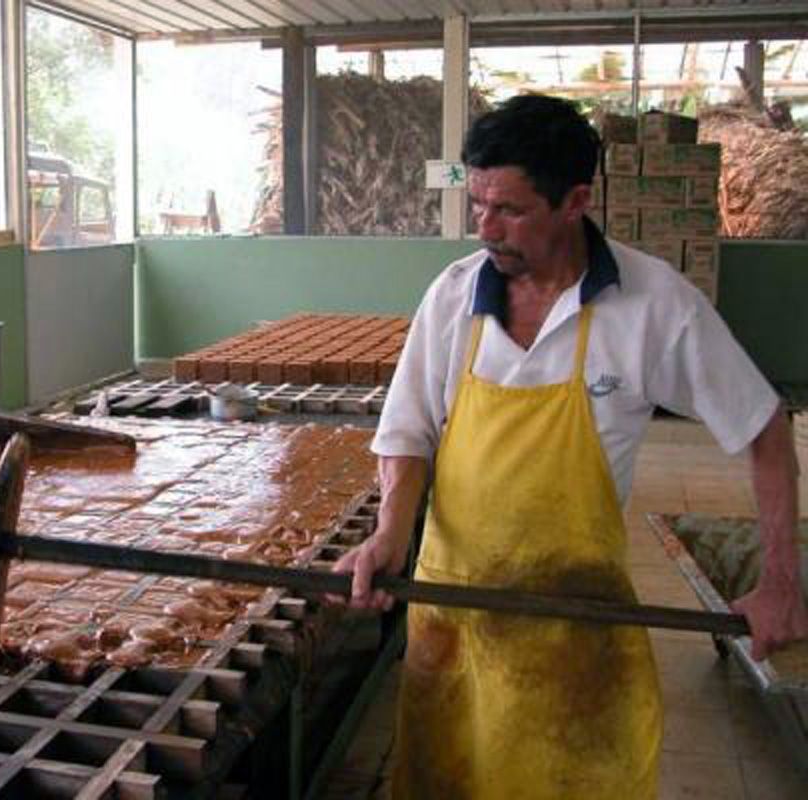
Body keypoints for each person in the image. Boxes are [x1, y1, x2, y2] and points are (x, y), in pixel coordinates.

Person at [334, 95, 807, 798]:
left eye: (510, 209)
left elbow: (764, 429)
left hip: (576, 630)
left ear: (576, 201)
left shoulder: (653, 306)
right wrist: (390, 534)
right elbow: (408, 432)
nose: (484, 227)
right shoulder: (453, 297)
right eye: (478, 203)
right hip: (455, 621)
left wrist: (780, 582)